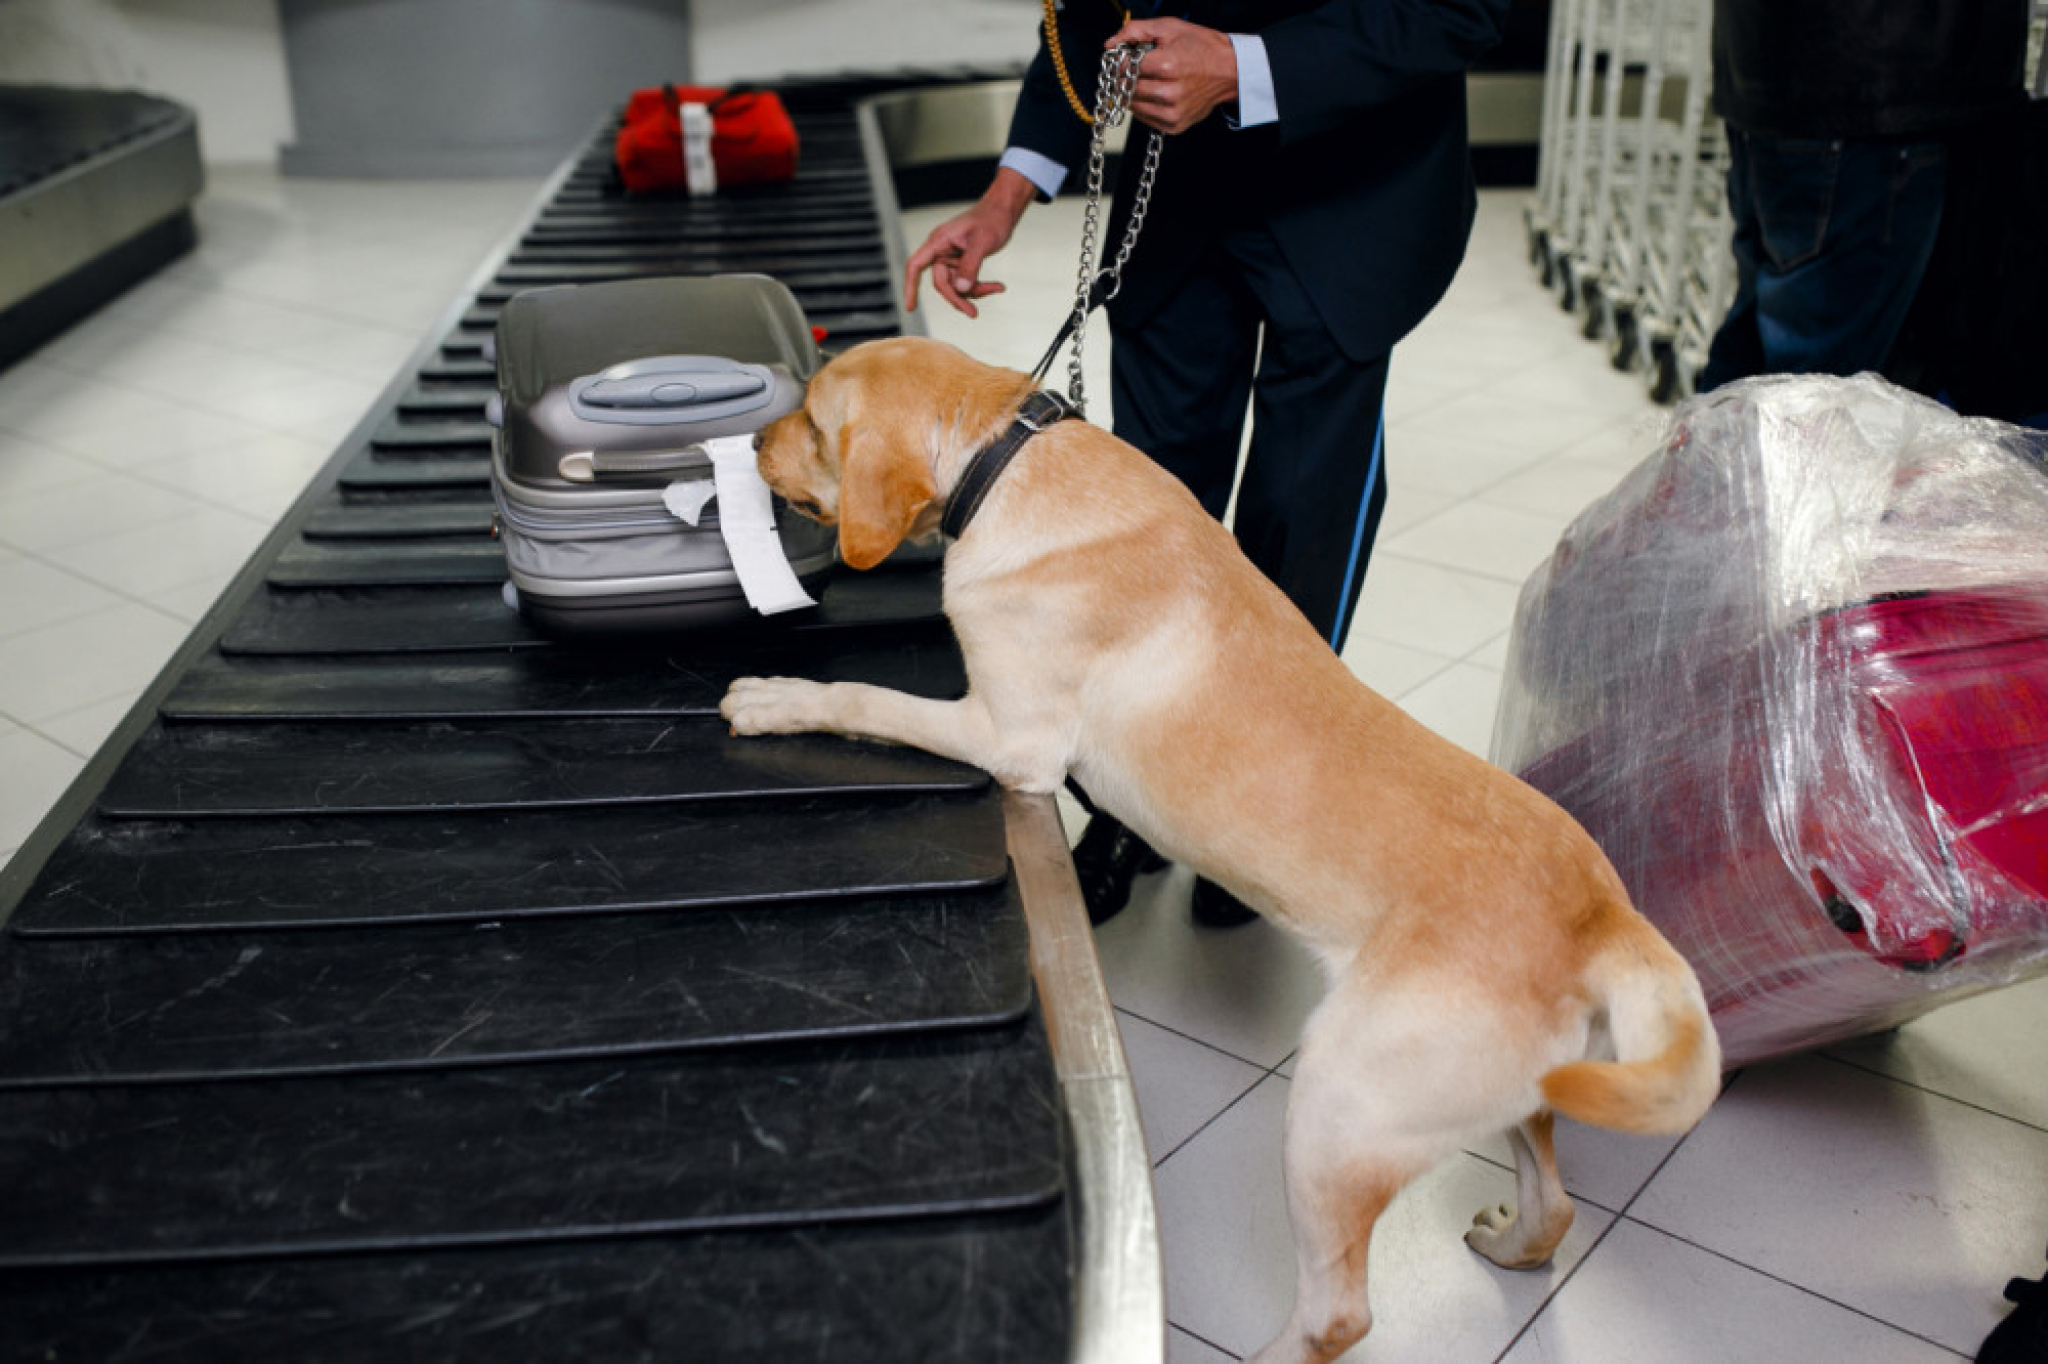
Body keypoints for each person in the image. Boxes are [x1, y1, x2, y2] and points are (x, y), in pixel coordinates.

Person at [905, 0, 1507, 928]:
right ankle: (1126, 809)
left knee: (1299, 515)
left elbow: (1467, 13)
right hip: (1177, 201)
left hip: (1354, 189)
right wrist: (1004, 198)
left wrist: (1245, 65)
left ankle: (1257, 812)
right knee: (1139, 517)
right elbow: (1086, 22)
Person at [1698, 0, 2031, 391]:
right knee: (1819, 391)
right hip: (1874, 93)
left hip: (1776, 76)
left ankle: (1711, 449)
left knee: (1765, 359)